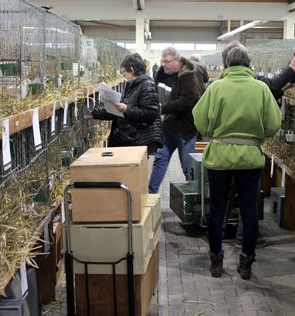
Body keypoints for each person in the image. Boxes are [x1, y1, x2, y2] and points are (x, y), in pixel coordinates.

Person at [192, 46, 282, 280]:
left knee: (217, 209)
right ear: (249, 64)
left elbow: (199, 120)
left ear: (226, 65)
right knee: (249, 211)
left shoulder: (216, 88)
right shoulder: (261, 89)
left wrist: (215, 132)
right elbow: (273, 124)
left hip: (219, 156)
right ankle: (246, 263)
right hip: (250, 158)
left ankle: (216, 261)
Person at [221, 41, 295, 249]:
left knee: (225, 195)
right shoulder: (252, 82)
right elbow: (270, 87)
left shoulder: (218, 86)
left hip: (222, 152)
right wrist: (292, 66)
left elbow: (201, 121)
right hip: (248, 152)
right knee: (249, 199)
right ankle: (245, 240)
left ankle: (220, 235)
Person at [148, 47, 201, 193]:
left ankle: (194, 199)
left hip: (185, 131)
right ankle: (151, 196)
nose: (163, 64)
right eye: (162, 61)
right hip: (167, 128)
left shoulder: (188, 76)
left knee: (187, 167)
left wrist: (162, 109)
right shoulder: (161, 73)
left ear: (176, 61)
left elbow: (186, 101)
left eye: (166, 61)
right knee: (160, 161)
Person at [90, 53, 162, 155]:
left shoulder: (147, 85)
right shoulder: (131, 85)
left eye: (124, 71)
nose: (123, 75)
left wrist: (126, 109)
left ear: (132, 70)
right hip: (129, 138)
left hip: (140, 141)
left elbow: (150, 114)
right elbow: (118, 111)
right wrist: (96, 113)